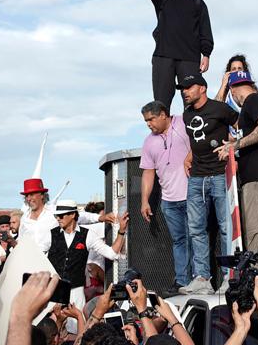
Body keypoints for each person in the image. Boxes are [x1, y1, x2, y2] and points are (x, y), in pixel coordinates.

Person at [133, 0, 214, 108]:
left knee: (194, 103)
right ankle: (163, 135)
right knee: (160, 104)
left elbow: (205, 31)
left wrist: (206, 54)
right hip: (164, 56)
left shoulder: (198, 3)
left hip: (190, 58)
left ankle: (193, 134)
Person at [217, 71, 258, 281]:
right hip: (256, 179)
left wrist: (237, 144)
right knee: (257, 230)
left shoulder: (253, 100)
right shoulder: (252, 104)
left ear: (233, 90)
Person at [179, 74, 238, 294]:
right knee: (195, 229)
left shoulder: (220, 109)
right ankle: (202, 278)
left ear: (202, 88)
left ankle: (228, 277)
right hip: (196, 178)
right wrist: (189, 155)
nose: (184, 91)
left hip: (220, 175)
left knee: (225, 228)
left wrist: (235, 146)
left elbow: (241, 127)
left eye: (188, 87)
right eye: (182, 88)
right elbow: (198, 139)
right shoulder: (187, 115)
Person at [40, 203, 129, 329]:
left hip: (75, 291)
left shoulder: (88, 235)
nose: (58, 218)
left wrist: (121, 231)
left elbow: (111, 254)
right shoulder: (50, 234)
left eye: (61, 215)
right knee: (49, 328)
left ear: (72, 215)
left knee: (75, 328)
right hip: (53, 290)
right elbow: (37, 255)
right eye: (56, 216)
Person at [139, 100, 193, 296]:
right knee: (179, 240)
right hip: (168, 200)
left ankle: (198, 279)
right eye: (146, 121)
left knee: (196, 238)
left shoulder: (183, 123)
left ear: (163, 114)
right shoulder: (148, 141)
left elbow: (200, 141)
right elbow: (148, 172)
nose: (149, 124)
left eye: (151, 119)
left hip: (192, 195)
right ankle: (181, 281)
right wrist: (144, 200)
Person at [17, 177, 113, 248]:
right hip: (30, 264)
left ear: (42, 195)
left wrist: (100, 218)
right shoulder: (24, 218)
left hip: (52, 263)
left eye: (32, 194)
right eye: (26, 196)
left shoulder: (54, 211)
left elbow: (80, 215)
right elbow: (20, 241)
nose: (28, 198)